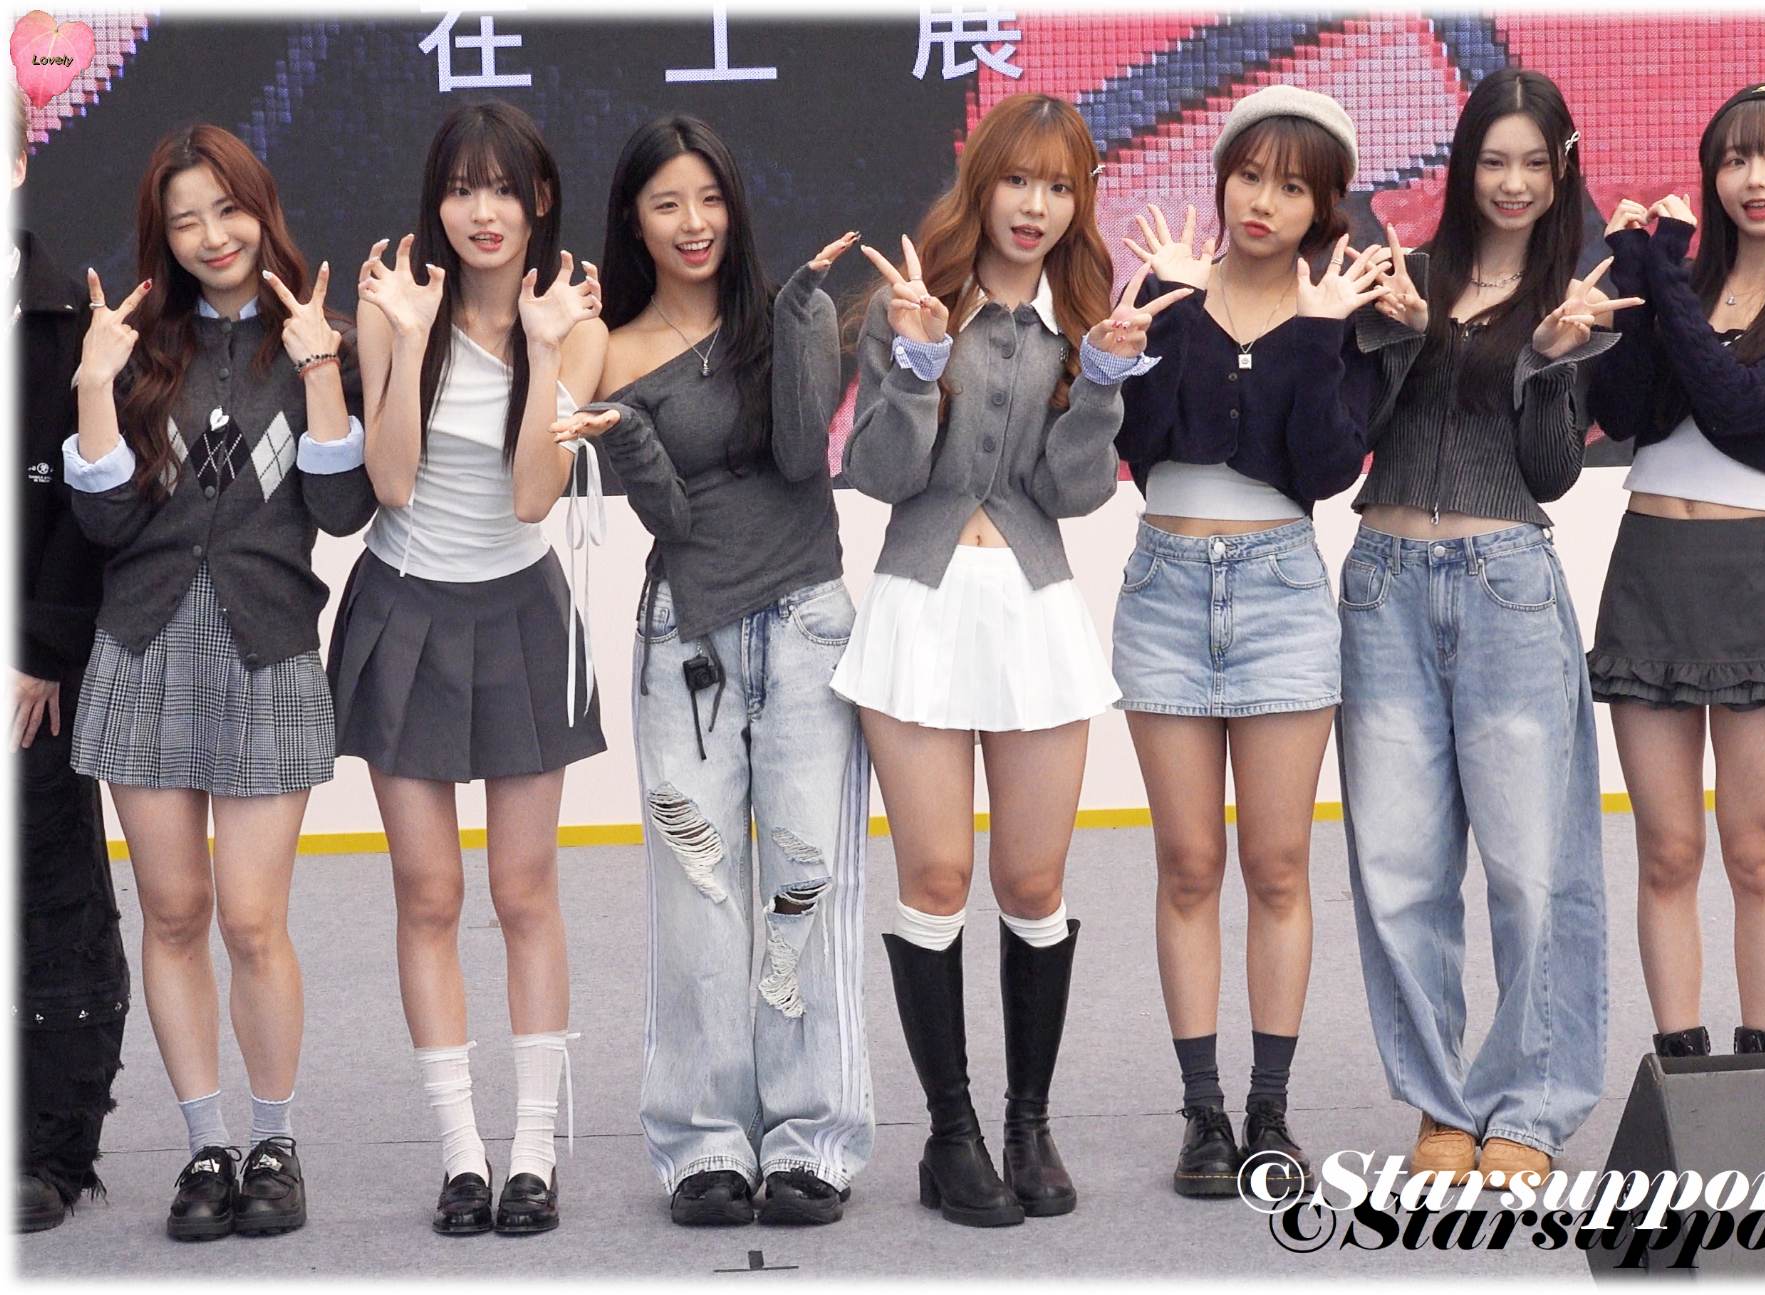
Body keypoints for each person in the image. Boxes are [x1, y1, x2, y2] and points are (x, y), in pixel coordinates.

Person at [833, 91, 1186, 1226]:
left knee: (1032, 883)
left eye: (1060, 185)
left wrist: (1105, 390)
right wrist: (912, 363)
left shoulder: (1084, 318)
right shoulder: (913, 304)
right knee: (936, 876)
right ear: (980, 184)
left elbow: (1071, 494)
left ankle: (1029, 1125)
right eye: (1018, 179)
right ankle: (952, 1136)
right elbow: (882, 476)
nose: (1035, 205)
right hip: (919, 608)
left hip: (1032, 612)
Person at [551, 114, 873, 1228]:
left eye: (709, 198)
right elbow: (673, 520)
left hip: (808, 624)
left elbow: (799, 456)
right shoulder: (608, 346)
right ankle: (701, 1143)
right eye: (665, 204)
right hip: (684, 641)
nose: (692, 223)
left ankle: (812, 1139)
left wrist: (799, 315)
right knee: (697, 894)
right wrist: (628, 438)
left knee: (805, 880)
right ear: (632, 221)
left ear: (734, 205)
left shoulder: (784, 311)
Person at [62, 122, 375, 1240]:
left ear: (261, 207)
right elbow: (103, 521)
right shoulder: (137, 346)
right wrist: (94, 383)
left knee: (251, 917)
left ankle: (273, 1140)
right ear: (164, 233)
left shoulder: (314, 342)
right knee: (175, 911)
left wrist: (323, 369)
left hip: (268, 647)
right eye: (186, 218)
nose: (211, 236)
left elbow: (340, 509)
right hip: (144, 645)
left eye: (227, 209)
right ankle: (204, 1143)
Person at [1339, 66, 1635, 1186]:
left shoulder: (1572, 293)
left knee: (1531, 866)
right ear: (1463, 167)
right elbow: (1350, 439)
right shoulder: (1405, 274)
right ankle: (1439, 1103)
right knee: (1395, 866)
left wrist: (1551, 361)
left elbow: (1550, 474)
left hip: (1507, 581)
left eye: (1531, 163)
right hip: (1381, 584)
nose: (1510, 182)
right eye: (1491, 160)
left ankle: (1532, 1102)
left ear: (1559, 170)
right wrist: (1400, 334)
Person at [1109, 85, 1401, 1198]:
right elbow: (1139, 447)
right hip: (1165, 586)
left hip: (1280, 587)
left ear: (1324, 206)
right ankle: (1202, 1112)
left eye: (1290, 186)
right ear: (1221, 177)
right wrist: (1160, 319)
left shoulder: (1339, 312)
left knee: (1277, 866)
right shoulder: (1166, 292)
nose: (1261, 201)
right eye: (1247, 175)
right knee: (1187, 864)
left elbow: (1322, 468)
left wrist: (1318, 336)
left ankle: (1270, 1106)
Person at [333, 100, 604, 1236]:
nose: (481, 211)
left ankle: (532, 1151)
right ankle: (459, 1153)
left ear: (539, 201)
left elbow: (535, 496)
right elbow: (389, 484)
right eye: (460, 189)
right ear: (435, 203)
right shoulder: (392, 301)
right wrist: (400, 342)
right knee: (430, 892)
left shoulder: (575, 319)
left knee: (523, 889)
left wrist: (541, 351)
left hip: (520, 613)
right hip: (403, 608)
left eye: (502, 188)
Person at [1588, 81, 1765, 1057]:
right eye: (1735, 157)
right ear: (1713, 175)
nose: (1755, 177)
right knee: (1666, 849)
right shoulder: (1674, 285)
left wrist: (1664, 280)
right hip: (1648, 570)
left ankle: (1761, 1066)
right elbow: (1621, 412)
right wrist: (1636, 283)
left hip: (1752, 576)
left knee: (1754, 849)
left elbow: (1737, 406)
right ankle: (1680, 1067)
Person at [12, 82, 130, 1235]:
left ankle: (51, 1148)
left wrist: (41, 649)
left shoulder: (64, 318)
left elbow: (77, 508)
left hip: (28, 671)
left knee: (52, 898)